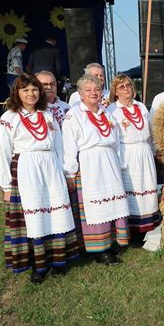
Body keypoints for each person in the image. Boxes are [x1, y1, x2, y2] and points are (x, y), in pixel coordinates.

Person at [0, 74, 79, 284]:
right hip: (26, 168)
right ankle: (38, 264)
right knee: (33, 218)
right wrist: (6, 185)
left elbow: (60, 146)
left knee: (55, 213)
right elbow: (3, 153)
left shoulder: (48, 115)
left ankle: (57, 259)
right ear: (17, 93)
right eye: (25, 90)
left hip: (51, 166)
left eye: (34, 89)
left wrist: (66, 172)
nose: (31, 93)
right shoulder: (9, 118)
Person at [62, 75, 129, 265]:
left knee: (112, 203)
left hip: (109, 161)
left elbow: (115, 142)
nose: (94, 93)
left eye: (97, 89)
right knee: (96, 206)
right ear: (81, 94)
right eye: (88, 90)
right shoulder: (74, 114)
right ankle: (99, 249)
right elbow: (69, 146)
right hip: (90, 163)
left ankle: (113, 241)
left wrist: (119, 163)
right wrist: (70, 172)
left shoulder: (106, 113)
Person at [108, 75, 159, 244]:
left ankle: (149, 227)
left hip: (144, 151)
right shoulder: (112, 110)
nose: (126, 89)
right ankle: (133, 230)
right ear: (115, 92)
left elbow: (150, 131)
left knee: (147, 186)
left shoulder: (141, 106)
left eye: (128, 85)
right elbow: (113, 137)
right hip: (127, 152)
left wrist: (153, 151)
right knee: (133, 190)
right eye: (121, 86)